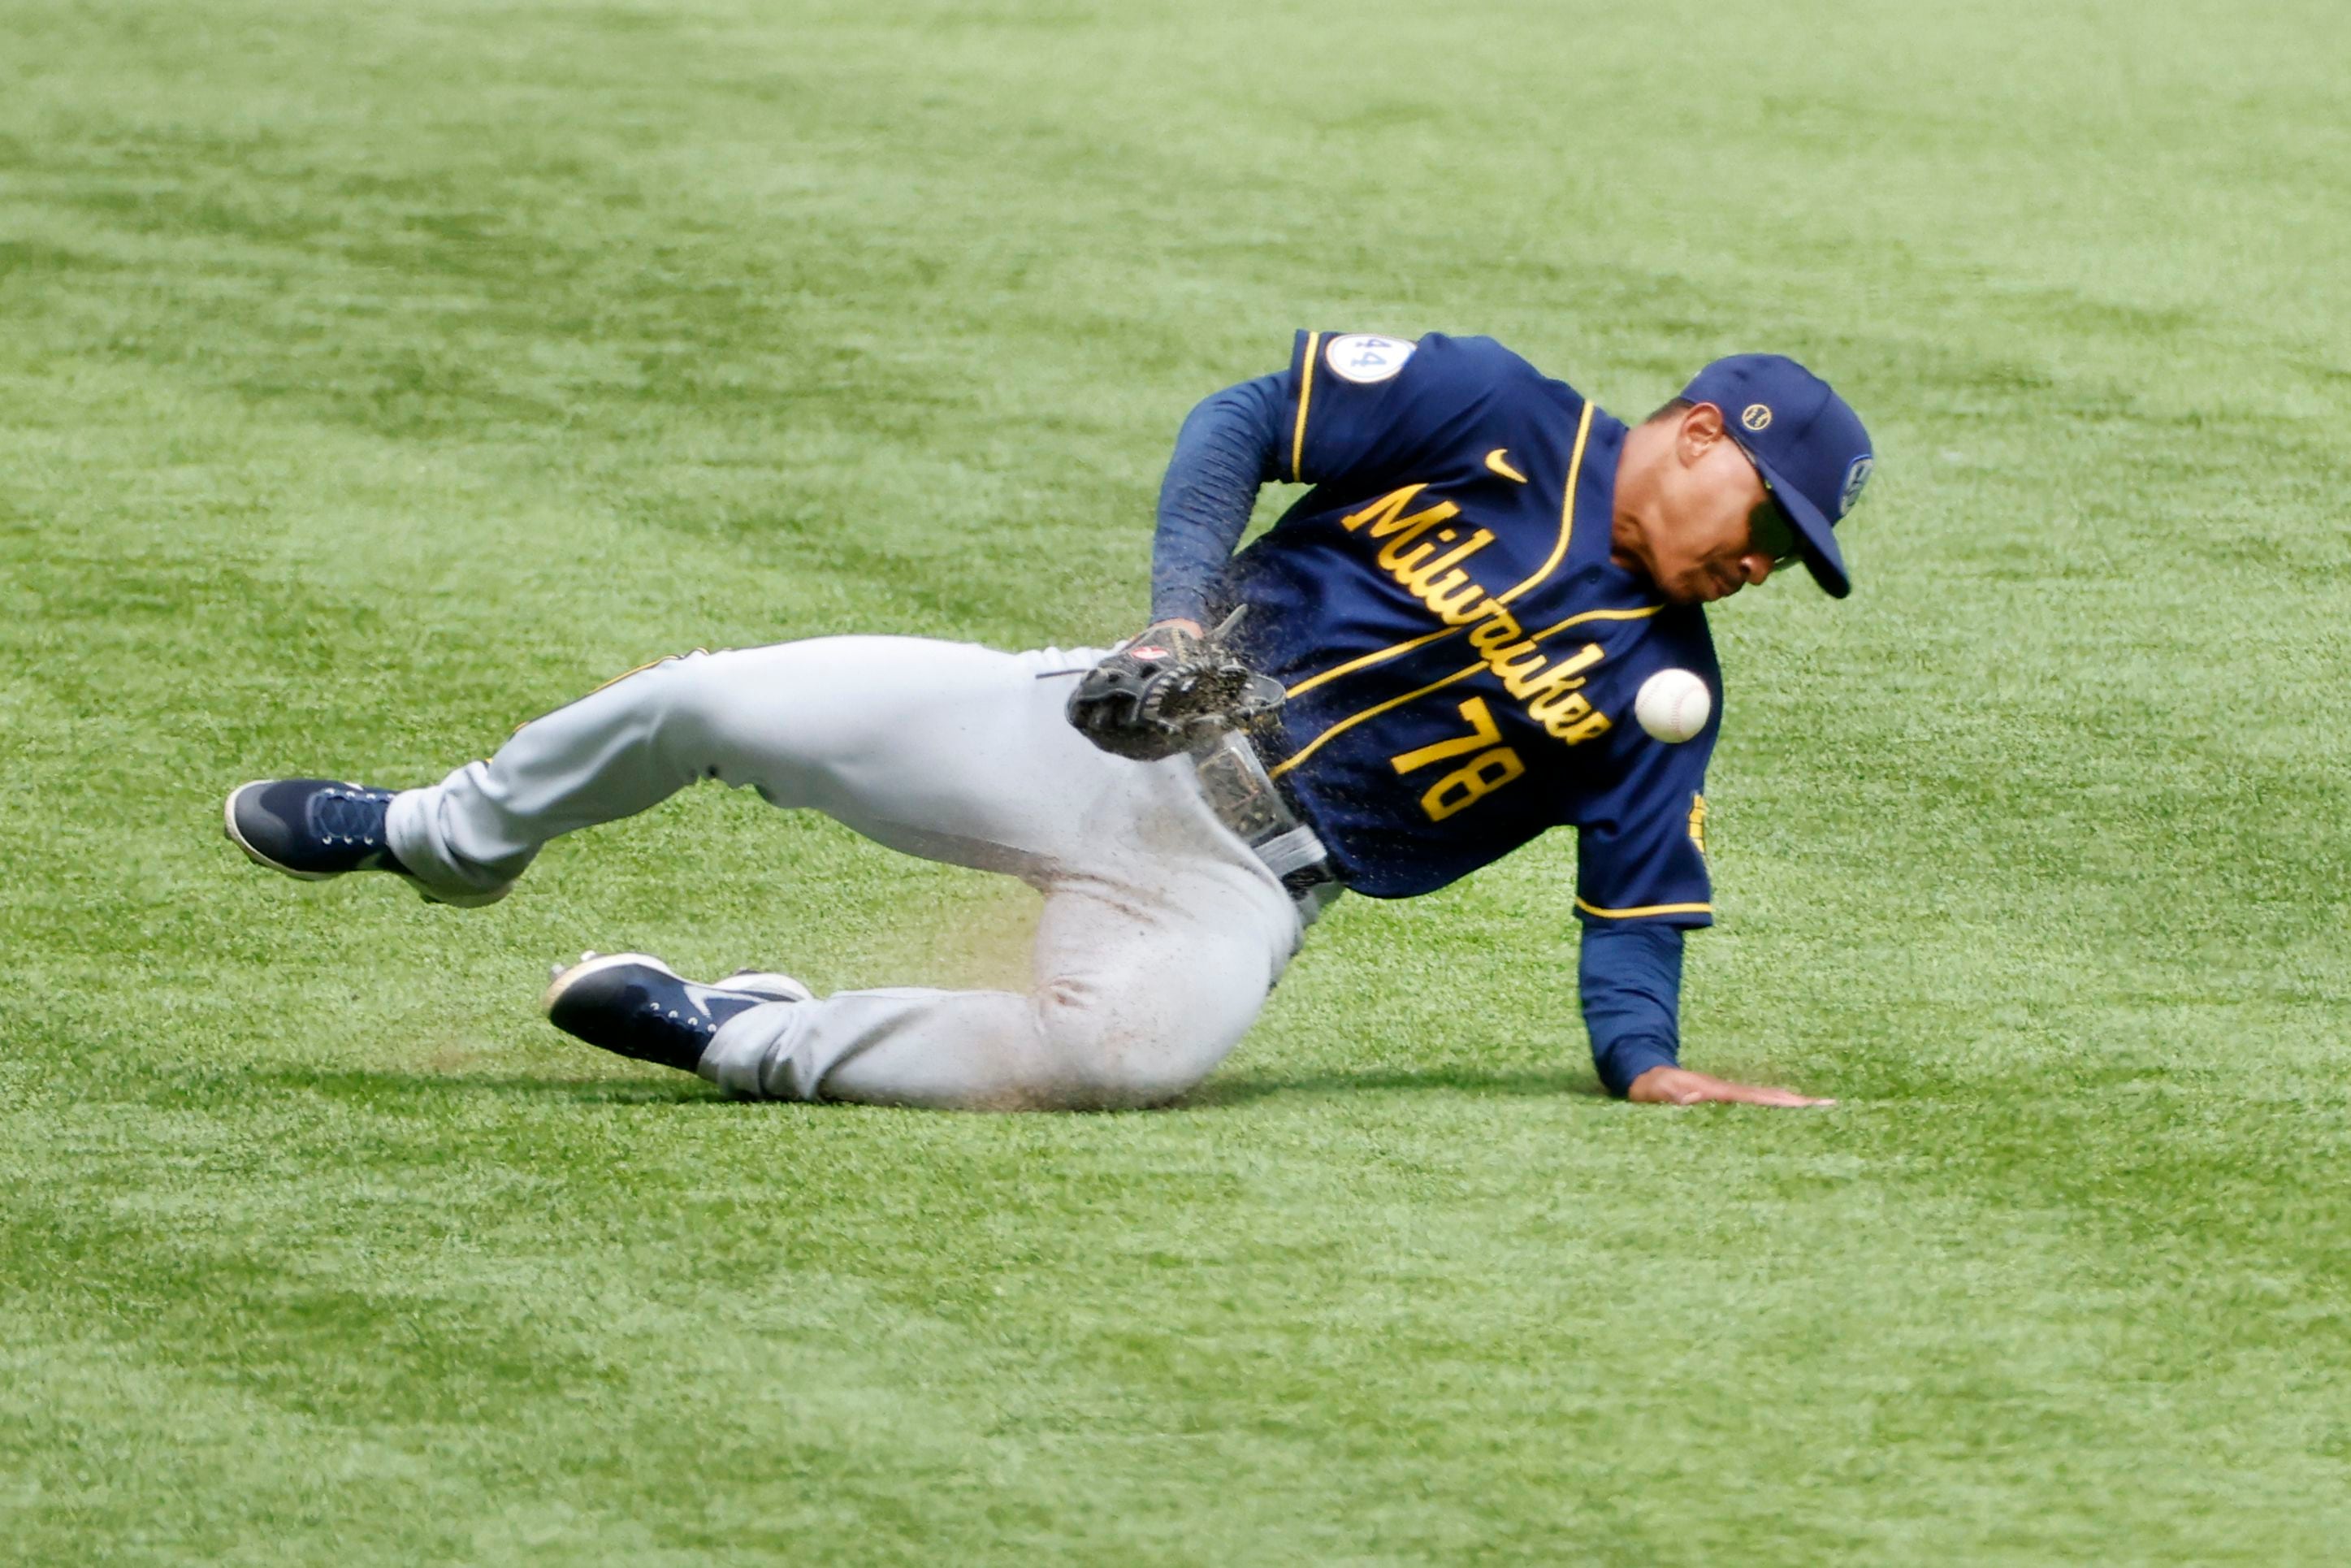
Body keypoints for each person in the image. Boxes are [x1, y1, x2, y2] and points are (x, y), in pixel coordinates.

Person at [223, 331, 1873, 1111]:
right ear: (1697, 427)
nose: (1758, 561)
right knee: (710, 697)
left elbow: (1635, 901)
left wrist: (1645, 1064)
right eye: (1766, 517)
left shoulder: (1666, 699)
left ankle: (739, 1030)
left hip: (1239, 888)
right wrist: (1173, 611)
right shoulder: (1495, 408)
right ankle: (444, 838)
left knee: (1119, 1057)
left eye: (1787, 556)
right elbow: (1246, 414)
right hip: (1096, 730)